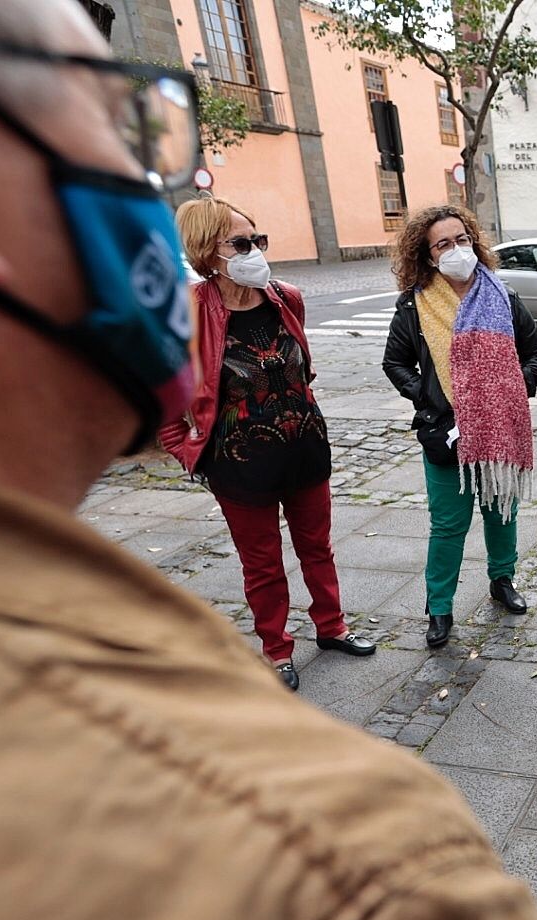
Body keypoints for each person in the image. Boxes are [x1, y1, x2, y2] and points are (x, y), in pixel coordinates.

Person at [0, 1, 537, 920]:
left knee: (339, 553)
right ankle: (286, 643)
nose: (152, 186)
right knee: (282, 566)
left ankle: (327, 627)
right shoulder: (365, 892)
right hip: (252, 465)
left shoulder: (303, 305)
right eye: (124, 120)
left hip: (302, 454)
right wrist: (200, 445)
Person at [159, 194, 374, 692]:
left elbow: (302, 371)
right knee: (262, 566)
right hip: (238, 464)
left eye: (259, 240)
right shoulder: (189, 312)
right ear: (208, 252)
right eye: (241, 242)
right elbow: (164, 400)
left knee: (317, 548)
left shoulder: (286, 297)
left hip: (304, 449)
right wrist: (191, 455)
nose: (255, 250)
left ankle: (332, 626)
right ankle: (276, 649)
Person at [382, 205, 537, 650]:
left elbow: (536, 353)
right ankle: (439, 607)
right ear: (428, 255)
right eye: (443, 244)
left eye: (462, 239)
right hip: (446, 434)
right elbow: (394, 362)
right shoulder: (416, 305)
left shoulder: (503, 296)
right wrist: (426, 396)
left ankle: (502, 579)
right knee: (448, 525)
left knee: (502, 510)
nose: (456, 249)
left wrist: (514, 389)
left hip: (500, 429)